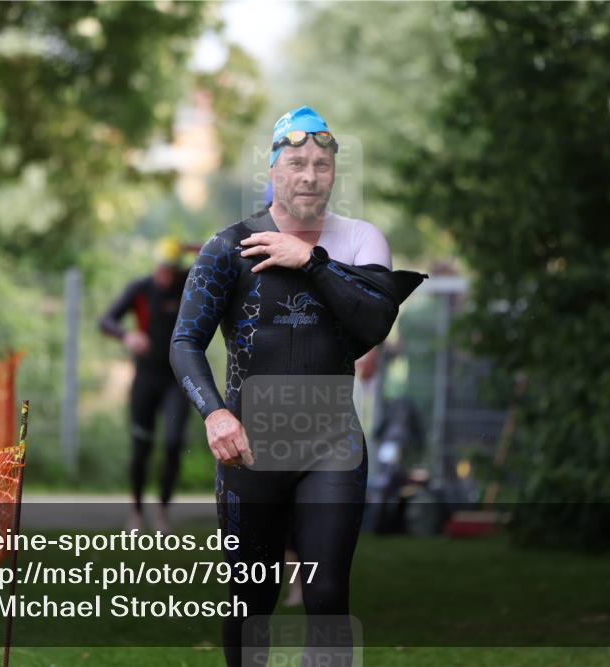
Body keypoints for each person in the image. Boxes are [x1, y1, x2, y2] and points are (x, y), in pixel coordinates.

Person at [170, 106, 425, 666]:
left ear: (334, 173)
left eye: (321, 164)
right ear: (273, 171)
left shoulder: (361, 241)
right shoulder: (228, 247)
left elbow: (374, 321)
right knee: (250, 600)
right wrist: (215, 414)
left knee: (327, 593)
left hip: (331, 443)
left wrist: (310, 261)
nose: (309, 175)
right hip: (250, 448)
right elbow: (184, 342)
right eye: (296, 162)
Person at [99, 237, 190, 533]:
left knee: (174, 444)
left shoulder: (187, 284)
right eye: (163, 268)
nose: (167, 275)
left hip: (178, 380)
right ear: (155, 266)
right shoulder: (141, 289)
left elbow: (224, 249)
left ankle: (162, 511)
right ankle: (136, 512)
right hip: (146, 380)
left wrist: (187, 245)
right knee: (141, 447)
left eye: (173, 269)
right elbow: (106, 320)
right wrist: (127, 337)